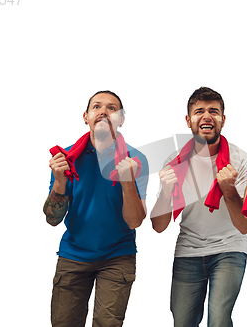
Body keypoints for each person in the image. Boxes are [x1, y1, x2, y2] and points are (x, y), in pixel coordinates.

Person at [43, 90, 149, 327]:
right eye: (97, 107)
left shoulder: (135, 159)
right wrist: (59, 181)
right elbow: (52, 219)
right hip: (74, 253)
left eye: (112, 108)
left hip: (117, 255)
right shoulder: (67, 158)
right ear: (86, 116)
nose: (103, 111)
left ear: (121, 119)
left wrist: (127, 181)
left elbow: (134, 222)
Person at [150, 87, 247, 327]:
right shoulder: (174, 162)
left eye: (214, 111)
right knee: (182, 322)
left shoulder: (241, 160)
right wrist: (166, 192)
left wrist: (228, 189)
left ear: (223, 120)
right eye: (199, 111)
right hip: (188, 250)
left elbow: (245, 225)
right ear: (188, 120)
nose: (206, 116)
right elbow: (158, 226)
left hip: (229, 247)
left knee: (218, 320)